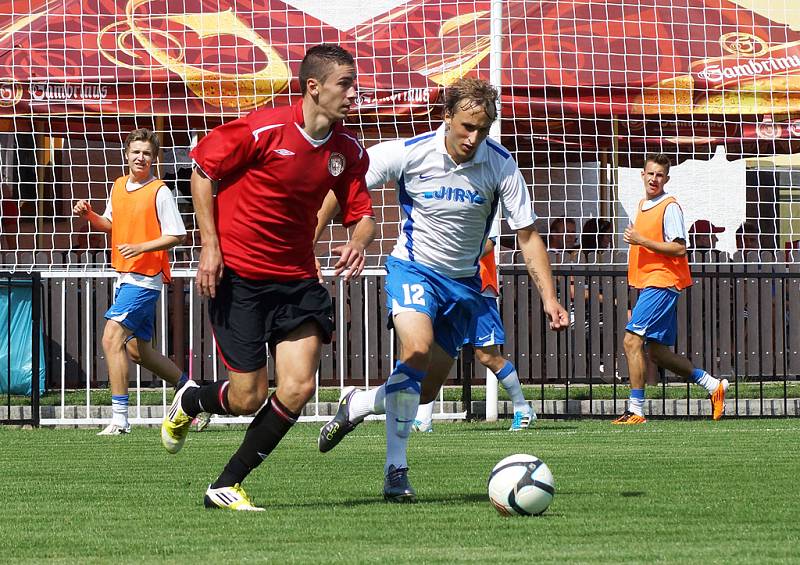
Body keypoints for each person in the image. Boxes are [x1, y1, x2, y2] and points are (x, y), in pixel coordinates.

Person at [316, 77, 568, 503]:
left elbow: (527, 235)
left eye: (483, 129)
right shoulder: (408, 153)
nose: (474, 137)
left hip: (464, 286)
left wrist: (549, 297)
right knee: (416, 349)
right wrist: (312, 241)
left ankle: (357, 404)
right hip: (412, 269)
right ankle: (396, 471)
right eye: (467, 126)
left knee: (424, 390)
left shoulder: (501, 164)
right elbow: (343, 189)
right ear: (446, 116)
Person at [160, 44, 376, 512]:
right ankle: (193, 401)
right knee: (247, 397)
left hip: (297, 281)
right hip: (239, 277)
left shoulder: (347, 151)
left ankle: (226, 484)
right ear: (313, 87)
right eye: (346, 83)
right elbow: (201, 168)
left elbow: (361, 215)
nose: (354, 92)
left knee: (298, 387)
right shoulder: (263, 127)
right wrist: (209, 245)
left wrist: (358, 241)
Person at [73, 128, 189, 435]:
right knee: (139, 351)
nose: (141, 157)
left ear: (154, 158)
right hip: (124, 277)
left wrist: (142, 247)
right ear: (126, 154)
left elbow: (177, 234)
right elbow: (111, 225)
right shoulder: (118, 186)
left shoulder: (160, 191)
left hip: (145, 279)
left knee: (111, 339)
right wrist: (90, 215)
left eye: (147, 153)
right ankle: (189, 389)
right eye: (136, 152)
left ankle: (121, 420)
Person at [615, 153, 728, 424]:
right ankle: (714, 386)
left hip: (663, 281)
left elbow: (679, 247)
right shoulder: (643, 204)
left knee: (631, 341)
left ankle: (636, 410)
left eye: (659, 175)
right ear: (642, 175)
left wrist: (641, 240)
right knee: (656, 352)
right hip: (651, 282)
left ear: (666, 179)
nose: (654, 179)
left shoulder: (670, 206)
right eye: (650, 173)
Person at [413, 231, 535, 432]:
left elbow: (488, 243)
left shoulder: (484, 202)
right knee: (438, 353)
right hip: (449, 288)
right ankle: (424, 418)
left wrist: (454, 255)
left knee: (487, 356)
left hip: (479, 290)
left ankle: (523, 409)